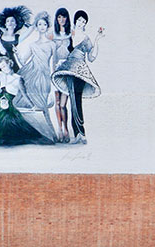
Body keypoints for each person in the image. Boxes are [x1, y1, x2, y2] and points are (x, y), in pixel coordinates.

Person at [51, 9, 104, 144]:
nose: (81, 23)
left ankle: (81, 133)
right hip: (69, 71)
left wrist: (96, 40)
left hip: (80, 71)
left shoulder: (85, 38)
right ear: (75, 20)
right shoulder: (69, 35)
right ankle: (78, 133)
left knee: (77, 101)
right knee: (73, 101)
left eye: (84, 21)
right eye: (79, 20)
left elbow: (91, 57)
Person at [14, 11, 56, 140]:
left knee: (43, 107)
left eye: (44, 24)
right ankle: (38, 135)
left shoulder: (52, 44)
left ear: (47, 26)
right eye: (39, 24)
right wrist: (15, 53)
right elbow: (23, 61)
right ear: (36, 27)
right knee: (32, 107)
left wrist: (53, 80)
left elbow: (52, 64)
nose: (42, 26)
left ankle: (52, 135)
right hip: (32, 74)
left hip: (44, 76)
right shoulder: (32, 45)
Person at [51, 7, 71, 142]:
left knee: (64, 104)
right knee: (57, 103)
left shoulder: (71, 34)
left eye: (63, 17)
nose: (61, 20)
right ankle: (59, 129)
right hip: (55, 70)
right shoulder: (51, 34)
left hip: (67, 71)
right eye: (59, 17)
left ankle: (66, 128)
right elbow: (52, 56)